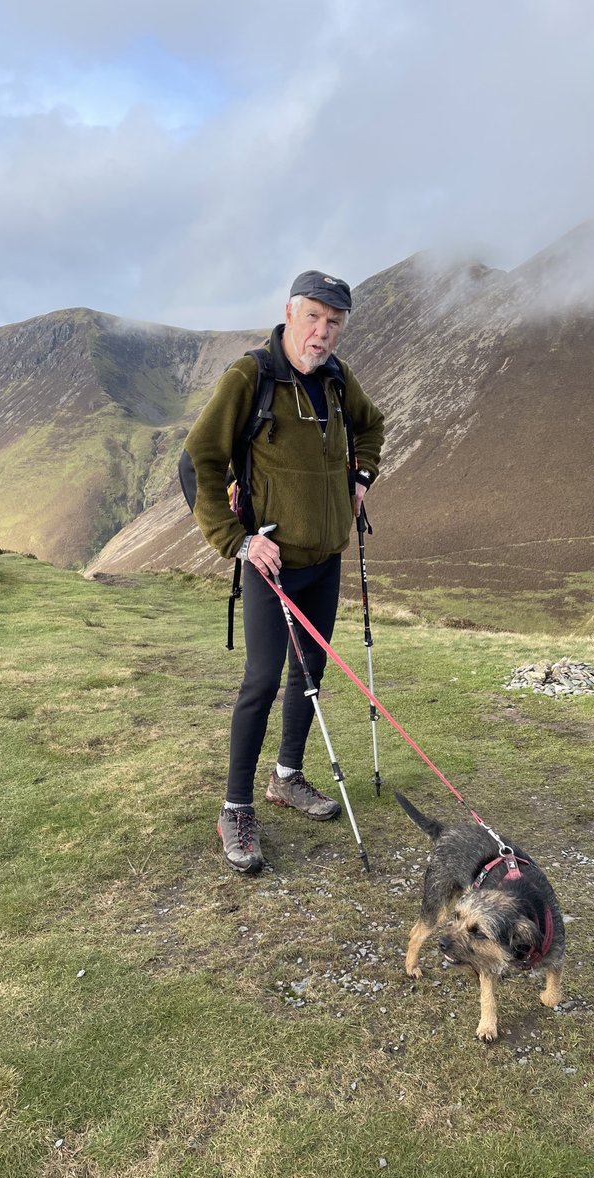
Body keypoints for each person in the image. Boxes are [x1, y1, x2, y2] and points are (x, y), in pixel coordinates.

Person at [184, 270, 385, 873]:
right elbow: (199, 461)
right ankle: (235, 807)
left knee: (311, 673)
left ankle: (287, 776)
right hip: (270, 564)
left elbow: (372, 426)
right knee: (261, 681)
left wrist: (361, 476)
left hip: (324, 562)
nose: (322, 334)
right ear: (290, 313)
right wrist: (236, 542)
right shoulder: (252, 376)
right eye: (314, 319)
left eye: (334, 323)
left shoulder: (335, 379)